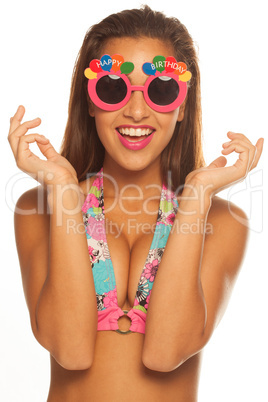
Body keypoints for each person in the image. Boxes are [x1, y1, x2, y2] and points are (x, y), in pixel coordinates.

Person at [8, 5, 263, 402]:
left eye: (161, 90)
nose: (137, 111)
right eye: (113, 88)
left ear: (181, 106)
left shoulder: (224, 219)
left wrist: (196, 196)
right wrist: (63, 190)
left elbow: (166, 352)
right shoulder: (38, 209)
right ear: (90, 101)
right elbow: (70, 349)